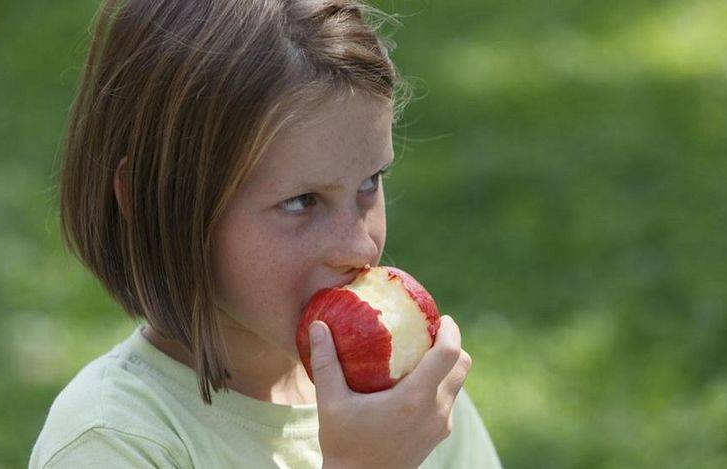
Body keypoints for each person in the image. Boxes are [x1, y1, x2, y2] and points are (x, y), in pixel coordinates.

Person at [29, 0, 501, 467]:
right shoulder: (114, 441)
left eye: (368, 183)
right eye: (300, 202)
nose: (359, 248)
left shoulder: (408, 400)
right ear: (149, 198)